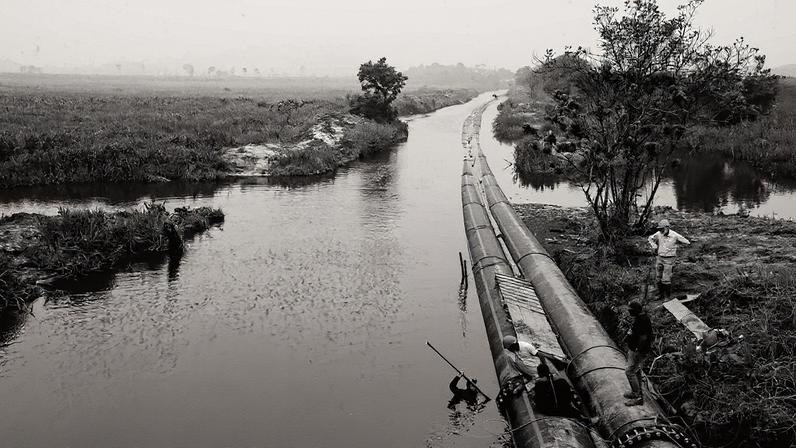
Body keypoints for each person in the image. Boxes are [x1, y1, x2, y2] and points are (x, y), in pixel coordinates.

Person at [647, 219, 690, 301]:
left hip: (669, 260)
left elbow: (687, 242)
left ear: (667, 227)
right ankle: (660, 294)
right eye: (659, 229)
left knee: (666, 279)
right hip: (659, 258)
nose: (660, 231)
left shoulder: (674, 235)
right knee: (658, 278)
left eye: (662, 229)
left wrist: (679, 245)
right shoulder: (658, 234)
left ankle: (667, 296)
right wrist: (653, 245)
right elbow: (650, 238)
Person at [624, 301, 654, 406]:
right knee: (636, 371)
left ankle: (637, 396)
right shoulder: (640, 318)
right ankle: (636, 393)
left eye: (630, 311)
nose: (629, 312)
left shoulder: (642, 320)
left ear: (636, 311)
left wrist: (637, 349)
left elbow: (643, 337)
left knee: (629, 371)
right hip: (636, 350)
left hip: (639, 351)